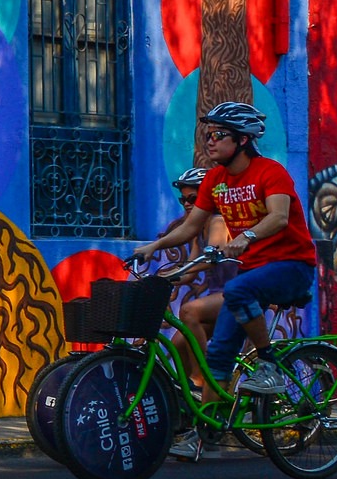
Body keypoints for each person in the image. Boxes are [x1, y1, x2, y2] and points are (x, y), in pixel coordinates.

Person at [134, 102, 317, 396]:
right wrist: (153, 246)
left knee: (237, 290)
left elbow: (279, 216)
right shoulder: (215, 180)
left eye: (219, 134)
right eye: (207, 134)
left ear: (243, 140)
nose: (210, 140)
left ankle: (268, 365)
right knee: (217, 358)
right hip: (251, 274)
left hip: (291, 266)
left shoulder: (270, 172)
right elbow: (191, 226)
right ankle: (210, 431)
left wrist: (247, 237)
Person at [157, 167, 233, 400]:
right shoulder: (196, 228)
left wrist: (180, 271)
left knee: (189, 311)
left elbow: (212, 259)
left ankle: (202, 381)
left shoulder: (218, 220)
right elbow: (190, 271)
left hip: (236, 293)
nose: (187, 204)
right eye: (183, 200)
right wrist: (164, 278)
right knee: (179, 341)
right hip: (217, 299)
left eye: (193, 198)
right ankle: (187, 403)